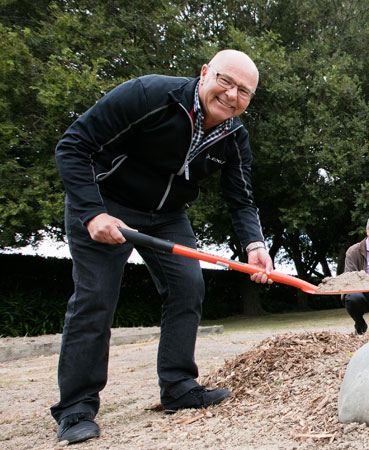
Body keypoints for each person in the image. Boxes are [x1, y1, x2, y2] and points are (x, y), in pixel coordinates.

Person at [52, 49, 273, 444]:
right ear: (205, 73)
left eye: (243, 91)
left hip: (167, 215)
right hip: (106, 201)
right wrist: (91, 213)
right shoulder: (149, 95)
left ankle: (178, 387)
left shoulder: (234, 137)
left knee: (188, 286)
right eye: (225, 80)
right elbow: (73, 145)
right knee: (95, 296)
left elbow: (240, 199)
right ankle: (76, 408)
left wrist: (255, 243)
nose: (231, 94)